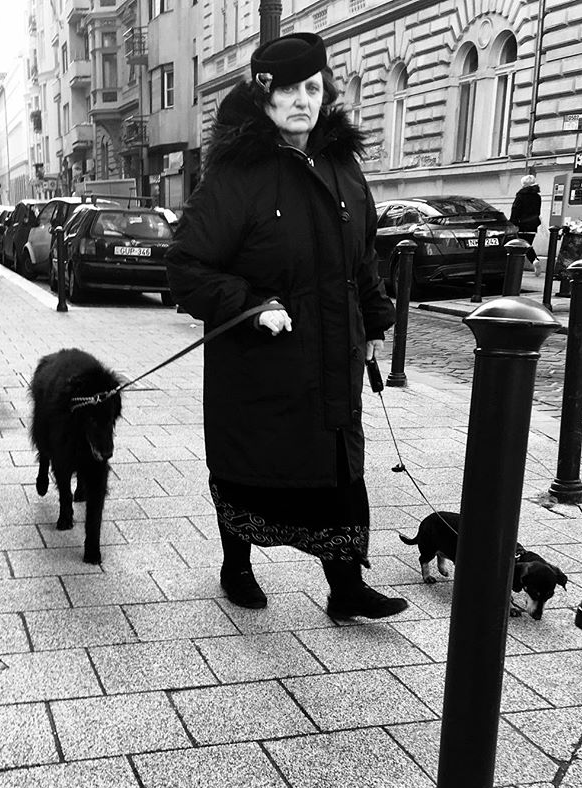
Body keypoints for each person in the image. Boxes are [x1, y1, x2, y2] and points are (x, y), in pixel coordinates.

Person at [166, 32, 407, 620]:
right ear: (264, 96)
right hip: (260, 366)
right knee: (252, 470)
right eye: (292, 90)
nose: (305, 100)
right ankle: (236, 566)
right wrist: (250, 304)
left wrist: (376, 317)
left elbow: (361, 256)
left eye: (314, 88)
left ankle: (346, 588)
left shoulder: (343, 166)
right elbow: (186, 266)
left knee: (338, 472)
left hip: (331, 360)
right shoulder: (236, 173)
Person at [510, 174, 542, 276]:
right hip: (533, 225)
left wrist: (512, 223)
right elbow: (537, 211)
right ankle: (534, 260)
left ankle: (532, 262)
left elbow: (515, 210)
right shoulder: (537, 197)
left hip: (521, 224)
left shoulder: (520, 196)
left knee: (521, 246)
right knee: (528, 245)